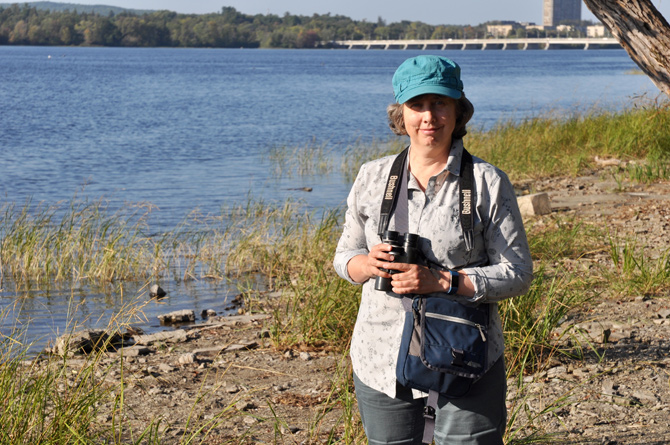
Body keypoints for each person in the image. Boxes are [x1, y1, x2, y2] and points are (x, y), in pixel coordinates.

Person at [333, 55, 533, 445]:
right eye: (417, 105)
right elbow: (344, 256)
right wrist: (366, 264)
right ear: (400, 114)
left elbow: (518, 272)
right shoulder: (372, 177)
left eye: (440, 103)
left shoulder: (486, 181)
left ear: (458, 111)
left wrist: (443, 280)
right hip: (381, 356)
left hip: (465, 356)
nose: (429, 116)